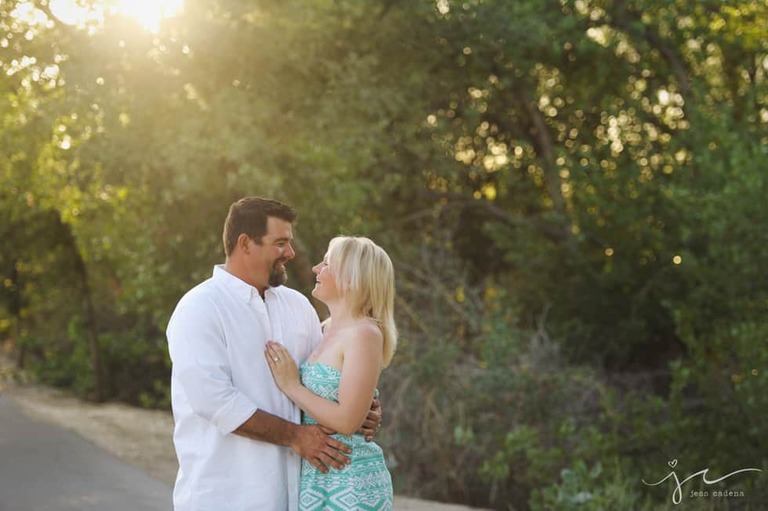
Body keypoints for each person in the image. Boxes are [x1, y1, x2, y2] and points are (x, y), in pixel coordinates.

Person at [166, 197, 381, 511]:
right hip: (224, 497)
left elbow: (325, 377)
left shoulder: (298, 306)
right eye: (280, 243)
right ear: (245, 244)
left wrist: (363, 408)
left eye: (290, 243)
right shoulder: (199, 308)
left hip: (298, 498)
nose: (290, 254)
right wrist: (295, 436)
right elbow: (213, 400)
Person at [265, 236, 396, 510]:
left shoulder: (364, 333)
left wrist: (292, 386)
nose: (316, 268)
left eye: (327, 263)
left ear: (352, 277)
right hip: (319, 479)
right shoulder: (323, 331)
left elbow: (348, 421)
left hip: (351, 480)